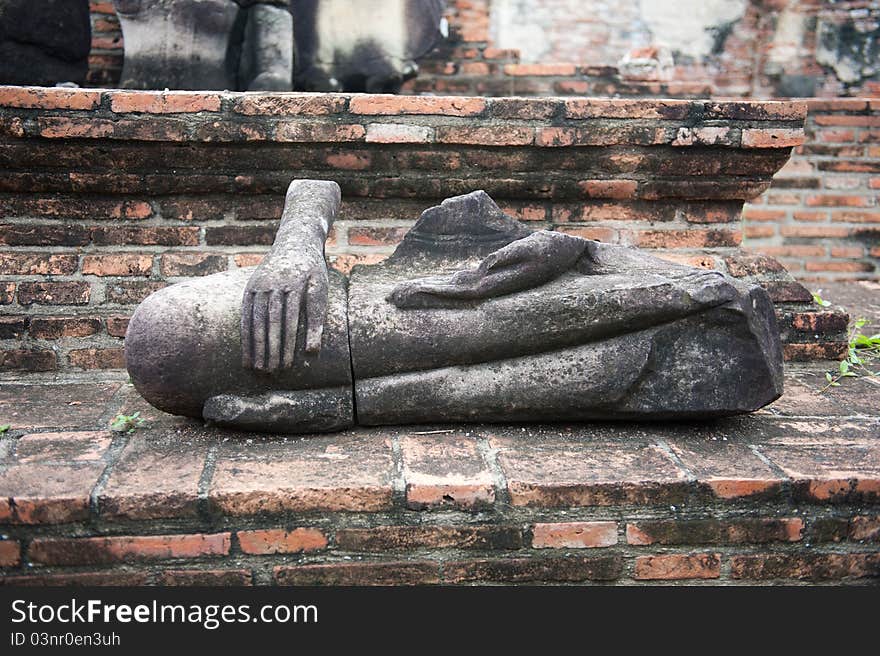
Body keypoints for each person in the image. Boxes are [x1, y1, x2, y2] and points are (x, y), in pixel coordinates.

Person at [125, 180, 784, 433]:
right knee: (584, 351)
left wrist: (294, 253)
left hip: (417, 303)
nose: (288, 330)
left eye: (257, 311)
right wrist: (339, 406)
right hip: (406, 351)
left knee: (543, 300)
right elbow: (456, 390)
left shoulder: (292, 285)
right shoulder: (225, 384)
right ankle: (702, 301)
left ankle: (704, 298)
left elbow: (314, 187)